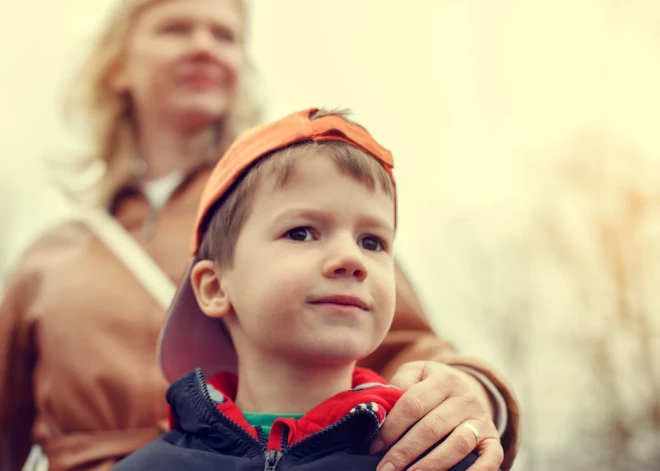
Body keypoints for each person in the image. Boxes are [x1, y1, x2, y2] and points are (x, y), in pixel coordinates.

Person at [0, 1, 519, 470]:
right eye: (176, 28)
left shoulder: (292, 199)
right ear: (117, 66)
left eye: (225, 35)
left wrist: (478, 392)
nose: (204, 45)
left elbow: (408, 344)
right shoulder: (50, 258)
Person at [112, 107, 483, 471]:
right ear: (214, 288)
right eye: (301, 232)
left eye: (372, 242)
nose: (351, 258)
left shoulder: (434, 460)